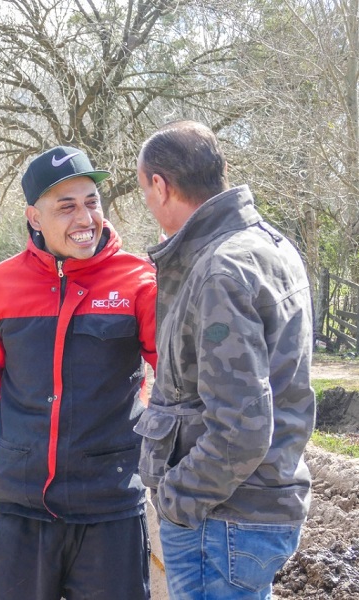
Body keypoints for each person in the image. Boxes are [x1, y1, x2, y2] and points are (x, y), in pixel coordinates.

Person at [0, 145, 157, 599]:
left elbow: (182, 379)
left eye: (91, 202)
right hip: (21, 507)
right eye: (66, 207)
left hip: (109, 506)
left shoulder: (139, 282)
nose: (85, 218)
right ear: (34, 217)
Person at [135, 120, 315, 599]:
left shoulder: (220, 269)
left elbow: (241, 429)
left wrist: (176, 500)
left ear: (160, 185)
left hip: (224, 518)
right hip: (254, 506)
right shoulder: (271, 246)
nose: (149, 206)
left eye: (145, 192)